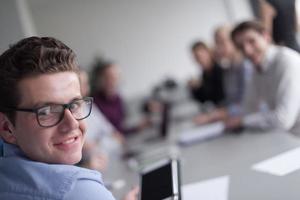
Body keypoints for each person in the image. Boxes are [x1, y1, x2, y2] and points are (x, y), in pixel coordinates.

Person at [0, 37, 138, 200]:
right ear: (7, 128)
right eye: (46, 111)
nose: (72, 124)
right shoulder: (77, 190)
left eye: (74, 105)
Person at [226, 20, 300, 135]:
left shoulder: (287, 62)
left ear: (265, 36)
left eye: (252, 41)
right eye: (241, 47)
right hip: (289, 137)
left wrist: (243, 121)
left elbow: (283, 120)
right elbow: (248, 107)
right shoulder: (258, 67)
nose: (247, 51)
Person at [193, 25, 249, 125]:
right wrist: (215, 113)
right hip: (233, 120)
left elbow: (248, 103)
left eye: (222, 42)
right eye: (217, 44)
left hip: (247, 119)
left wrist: (216, 115)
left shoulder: (246, 66)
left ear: (234, 41)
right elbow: (229, 101)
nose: (218, 48)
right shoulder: (228, 69)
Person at [90, 59, 149, 136]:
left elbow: (122, 124)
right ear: (101, 79)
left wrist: (147, 107)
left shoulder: (118, 98)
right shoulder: (95, 104)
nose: (114, 80)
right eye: (109, 77)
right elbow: (113, 133)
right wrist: (137, 128)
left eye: (116, 76)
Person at [188, 41, 225, 123]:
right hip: (216, 113)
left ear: (209, 53)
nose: (199, 60)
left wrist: (210, 116)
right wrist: (195, 89)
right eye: (196, 58)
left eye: (200, 56)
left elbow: (221, 100)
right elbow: (204, 99)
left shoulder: (220, 71)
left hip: (223, 114)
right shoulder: (205, 74)